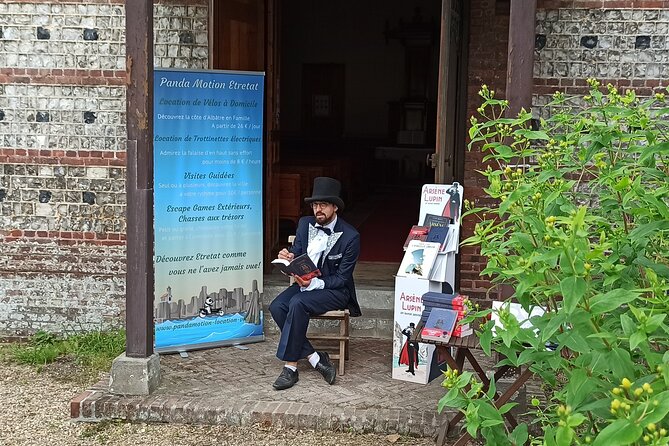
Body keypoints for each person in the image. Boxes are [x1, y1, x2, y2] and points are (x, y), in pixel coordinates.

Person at [269, 177, 361, 390]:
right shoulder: (304, 224)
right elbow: (299, 254)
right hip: (304, 284)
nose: (318, 210)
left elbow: (341, 278)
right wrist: (289, 257)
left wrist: (314, 284)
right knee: (277, 306)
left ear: (335, 207)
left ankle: (290, 368)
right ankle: (315, 358)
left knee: (298, 303)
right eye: (315, 205)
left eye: (323, 205)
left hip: (334, 290)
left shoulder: (350, 236)